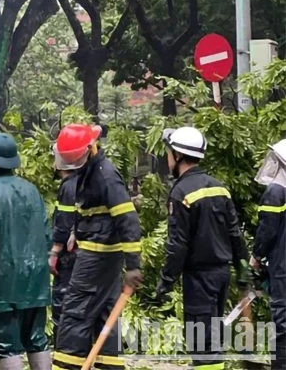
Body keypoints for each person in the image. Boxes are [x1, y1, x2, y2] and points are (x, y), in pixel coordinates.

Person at [153, 127, 249, 370]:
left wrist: (165, 282)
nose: (167, 157)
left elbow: (178, 245)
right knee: (212, 337)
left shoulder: (181, 192)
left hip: (200, 278)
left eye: (169, 152)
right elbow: (235, 235)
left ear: (178, 156)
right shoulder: (220, 188)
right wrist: (244, 273)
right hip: (222, 276)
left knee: (201, 342)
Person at [53, 124, 143, 370]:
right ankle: (108, 366)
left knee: (74, 312)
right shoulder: (91, 171)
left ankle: (65, 366)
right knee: (105, 313)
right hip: (102, 256)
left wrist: (134, 264)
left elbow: (128, 218)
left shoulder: (104, 175)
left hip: (96, 257)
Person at [0, 132, 51, 370]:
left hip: (1, 279)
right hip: (36, 278)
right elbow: (47, 233)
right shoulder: (32, 191)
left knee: (5, 344)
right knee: (37, 339)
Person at [250, 139, 286, 367]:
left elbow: (267, 229)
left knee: (283, 319)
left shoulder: (276, 191)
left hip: (283, 268)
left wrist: (255, 257)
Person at [50, 148, 78, 335]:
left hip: (70, 253)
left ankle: (64, 345)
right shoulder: (86, 181)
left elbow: (64, 221)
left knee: (63, 297)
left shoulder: (69, 186)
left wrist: (54, 251)